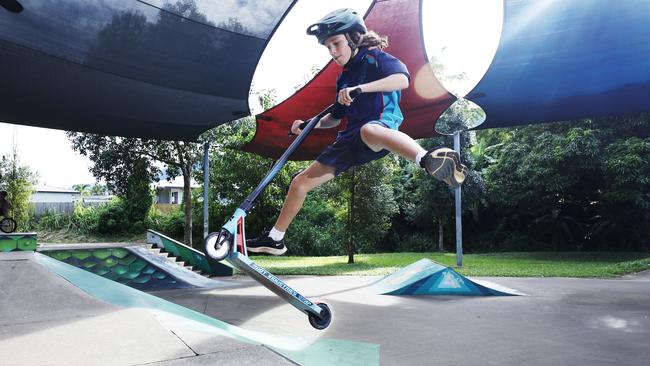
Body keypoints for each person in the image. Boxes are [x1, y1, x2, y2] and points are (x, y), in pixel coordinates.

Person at [247, 8, 467, 255]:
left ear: (353, 38)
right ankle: (275, 239)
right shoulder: (344, 78)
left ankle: (427, 159)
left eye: (336, 44)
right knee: (299, 182)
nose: (332, 52)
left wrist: (360, 89)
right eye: (327, 47)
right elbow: (335, 118)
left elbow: (402, 79)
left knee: (368, 129)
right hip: (349, 140)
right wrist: (307, 124)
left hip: (380, 127)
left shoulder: (375, 57)